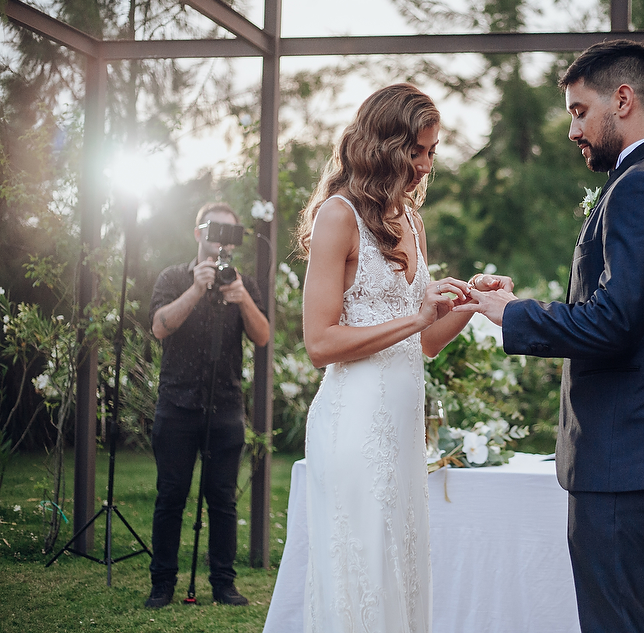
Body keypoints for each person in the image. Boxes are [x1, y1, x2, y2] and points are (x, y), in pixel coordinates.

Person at [455, 40, 644, 633]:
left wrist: (510, 313)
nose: (572, 128)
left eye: (578, 110)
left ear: (622, 99)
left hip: (628, 459)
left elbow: (613, 323)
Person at [295, 83, 509, 633]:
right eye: (415, 151)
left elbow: (425, 344)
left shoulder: (410, 220)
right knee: (361, 575)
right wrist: (416, 317)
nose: (424, 165)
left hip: (402, 428)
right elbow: (319, 342)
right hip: (353, 426)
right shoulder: (338, 217)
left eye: (431, 152)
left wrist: (471, 303)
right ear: (383, 145)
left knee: (401, 575)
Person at [145, 202, 270, 608]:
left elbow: (263, 336)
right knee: (170, 497)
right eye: (215, 231)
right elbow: (159, 327)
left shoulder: (242, 282)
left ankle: (223, 583)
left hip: (226, 407)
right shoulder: (172, 277)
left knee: (222, 499)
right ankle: (162, 583)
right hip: (177, 405)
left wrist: (242, 300)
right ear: (199, 234)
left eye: (230, 234)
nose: (222, 241)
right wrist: (196, 289)